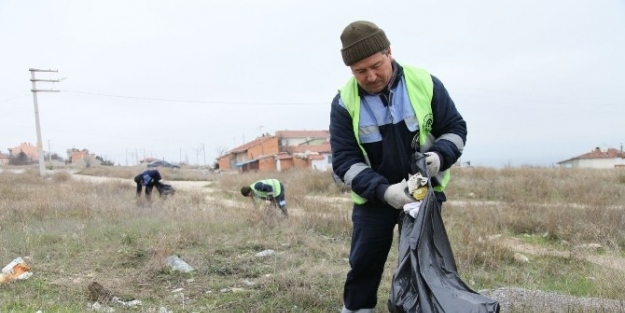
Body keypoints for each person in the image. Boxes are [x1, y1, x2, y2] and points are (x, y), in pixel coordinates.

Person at [330, 21, 467, 312]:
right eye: (360, 71)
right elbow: (344, 161)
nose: (370, 76)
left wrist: (440, 157)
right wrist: (384, 191)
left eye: (376, 65)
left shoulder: (424, 82)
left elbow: (455, 128)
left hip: (423, 191)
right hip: (375, 199)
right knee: (364, 264)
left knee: (426, 264)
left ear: (389, 52)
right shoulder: (344, 102)